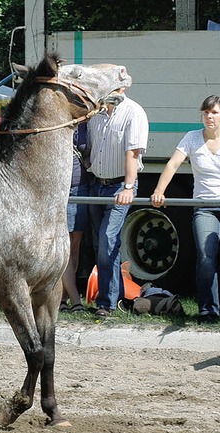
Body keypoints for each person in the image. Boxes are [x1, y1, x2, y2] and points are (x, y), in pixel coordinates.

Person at [151, 95, 220, 323]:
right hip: (205, 207)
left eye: (215, 112)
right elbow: (173, 164)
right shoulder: (191, 138)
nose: (209, 116)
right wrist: (159, 191)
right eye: (206, 112)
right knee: (206, 257)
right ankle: (208, 311)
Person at [87, 87, 148, 317]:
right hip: (96, 184)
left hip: (119, 186)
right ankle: (113, 297)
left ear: (123, 88)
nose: (106, 91)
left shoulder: (134, 112)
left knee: (107, 239)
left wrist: (129, 187)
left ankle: (107, 303)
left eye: (112, 86)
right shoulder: (96, 114)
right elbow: (91, 149)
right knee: (100, 243)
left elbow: (133, 153)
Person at [60, 123, 90, 313]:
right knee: (64, 244)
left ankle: (62, 297)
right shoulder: (60, 121)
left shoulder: (89, 124)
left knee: (75, 244)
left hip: (82, 187)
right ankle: (75, 299)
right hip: (62, 189)